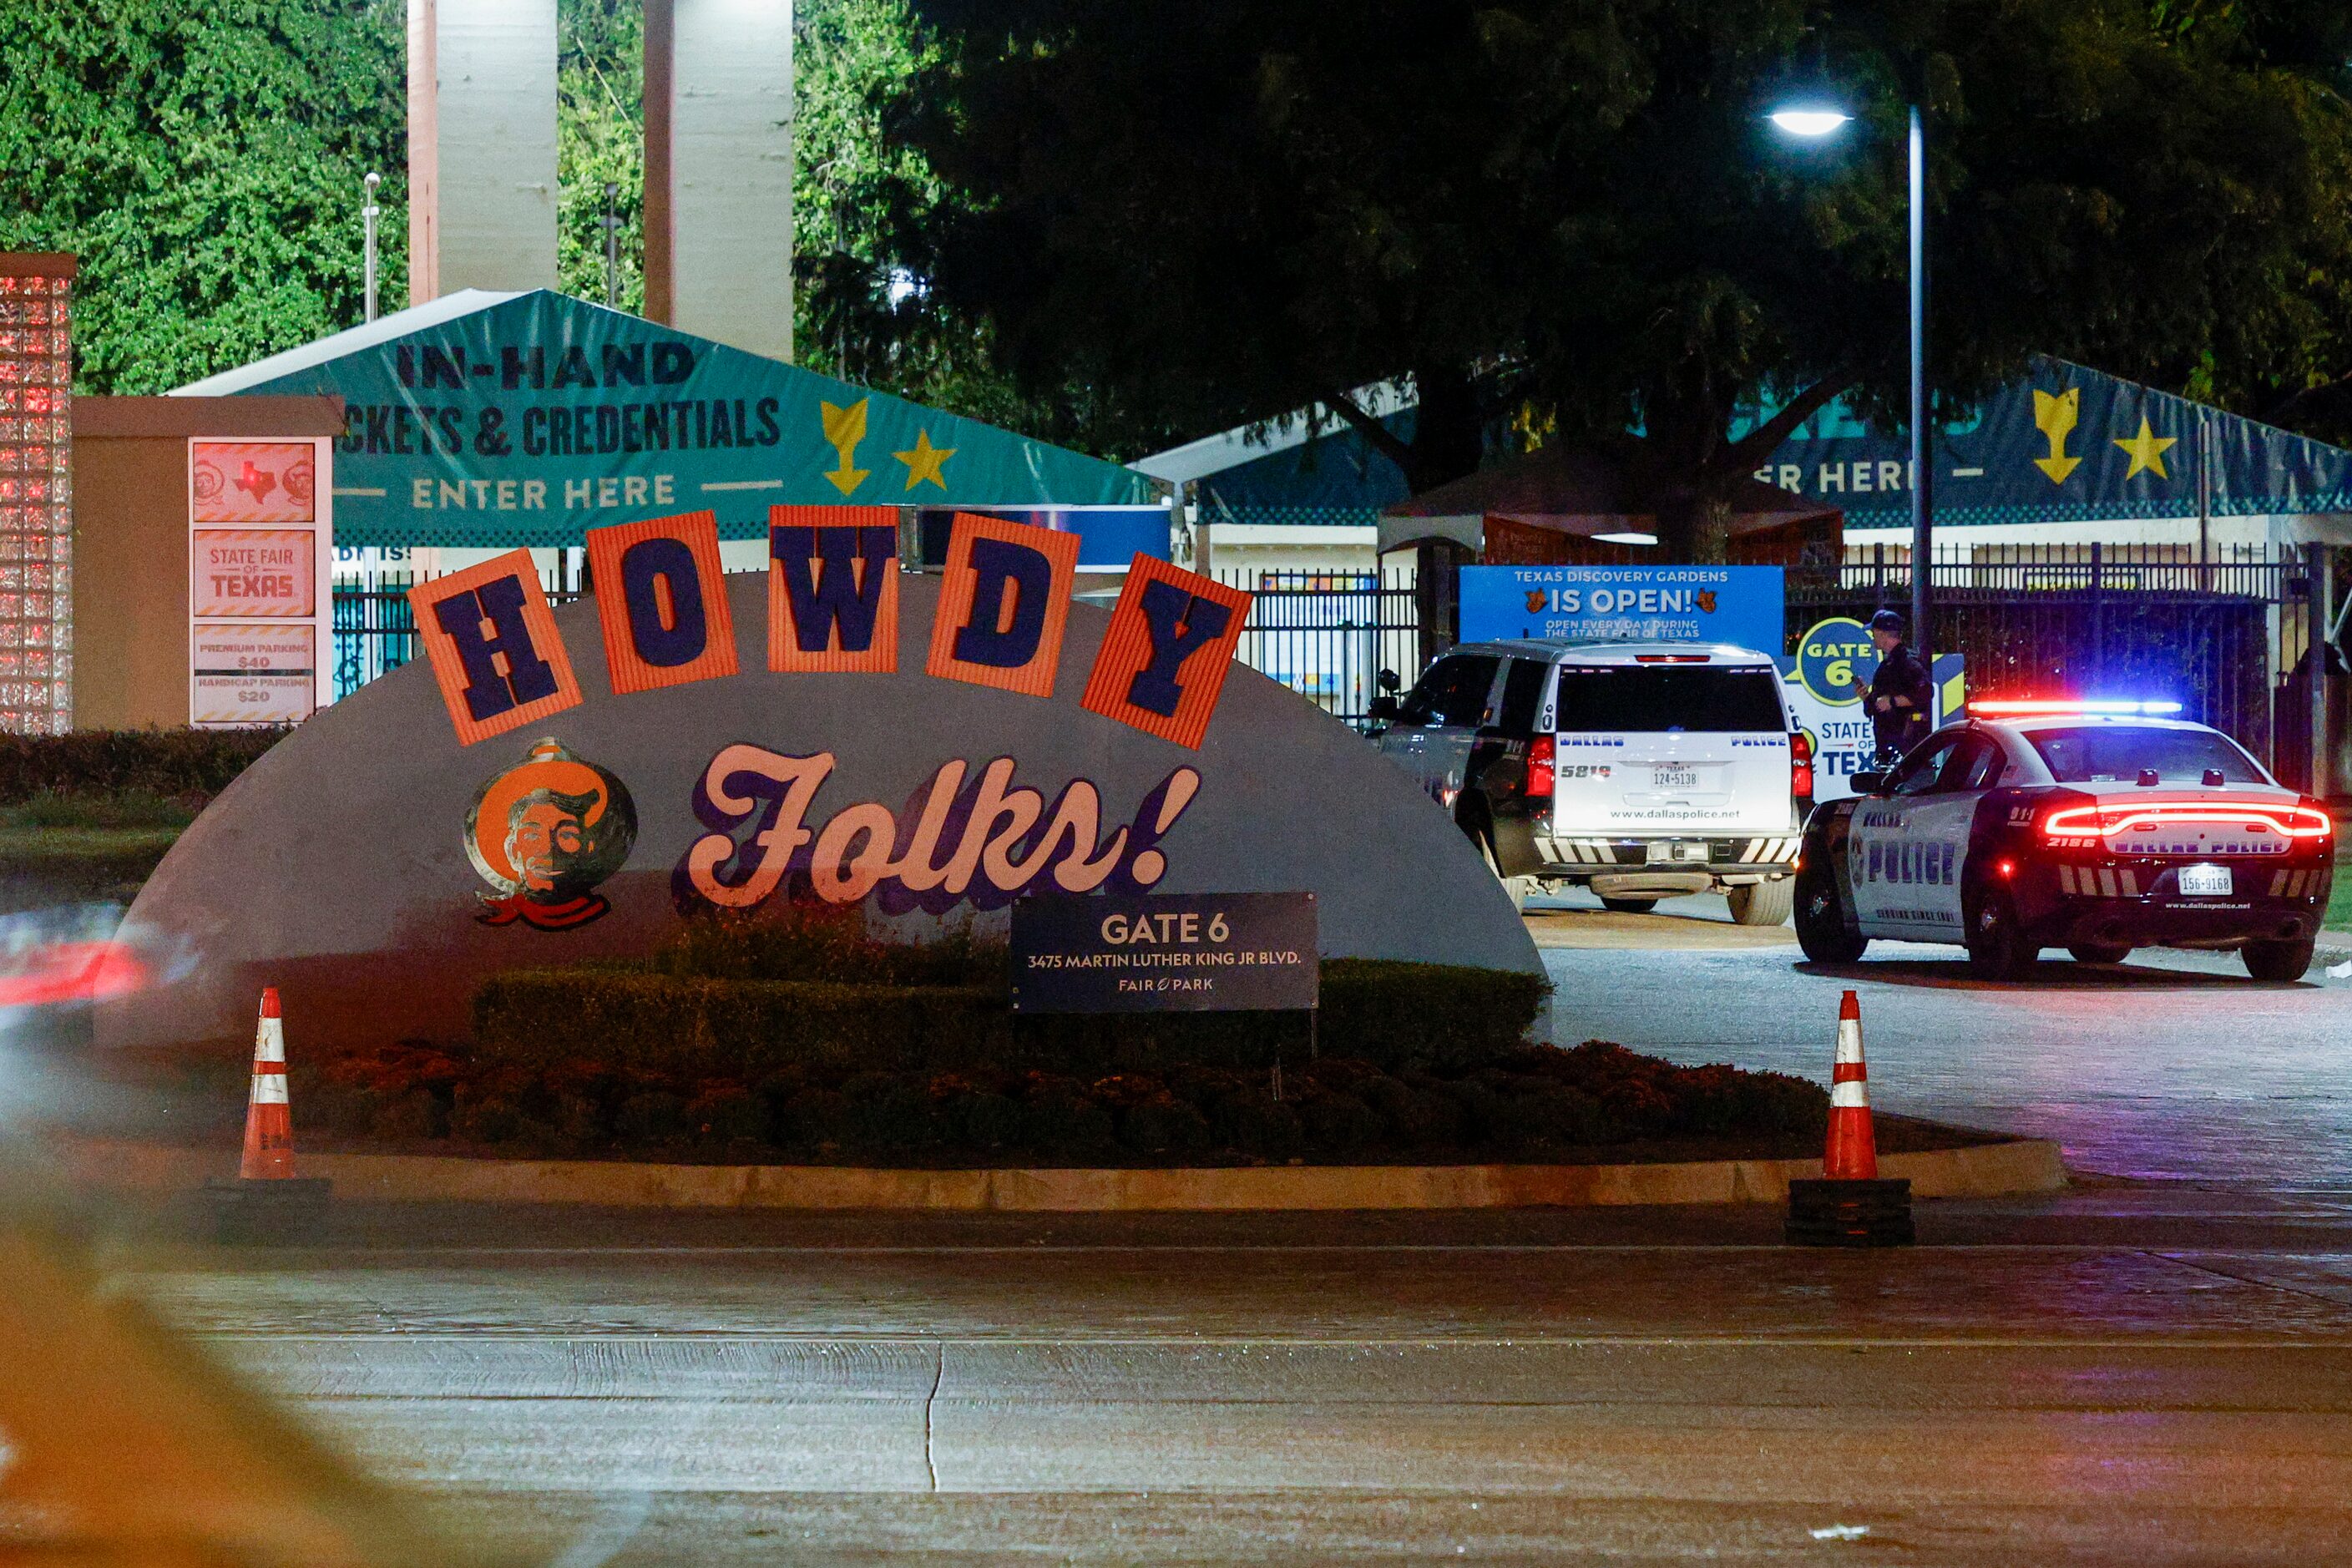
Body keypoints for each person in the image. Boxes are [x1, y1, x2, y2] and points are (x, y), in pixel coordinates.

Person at [1854, 609, 1931, 765]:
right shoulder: (1888, 665)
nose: (1872, 637)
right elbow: (1878, 708)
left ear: (1882, 634)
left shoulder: (1908, 662)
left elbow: (1925, 692)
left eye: (1874, 632)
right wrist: (1867, 698)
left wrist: (1892, 702)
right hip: (1889, 748)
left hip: (1906, 750)